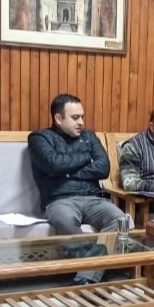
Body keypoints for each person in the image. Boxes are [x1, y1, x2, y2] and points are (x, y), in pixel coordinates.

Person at [29, 93, 126, 285]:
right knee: (63, 219)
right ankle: (93, 265)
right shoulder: (39, 138)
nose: (81, 122)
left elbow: (103, 168)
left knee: (119, 218)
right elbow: (54, 164)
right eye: (75, 118)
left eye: (82, 117)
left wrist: (67, 173)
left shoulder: (89, 136)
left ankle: (86, 277)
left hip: (93, 198)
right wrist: (86, 158)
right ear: (58, 118)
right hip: (60, 200)